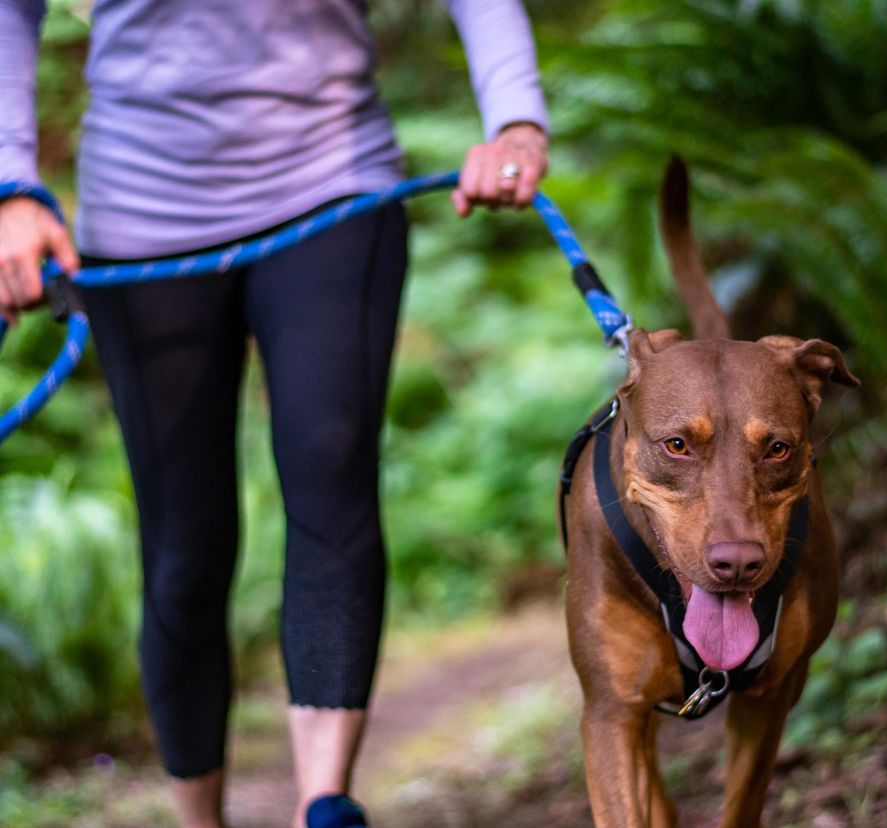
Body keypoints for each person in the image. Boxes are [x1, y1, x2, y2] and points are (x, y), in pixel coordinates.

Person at [0, 1, 549, 826]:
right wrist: (12, 183)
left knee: (331, 464)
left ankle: (322, 804)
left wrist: (515, 119)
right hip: (142, 216)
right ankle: (200, 819)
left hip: (332, 183)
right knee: (186, 543)